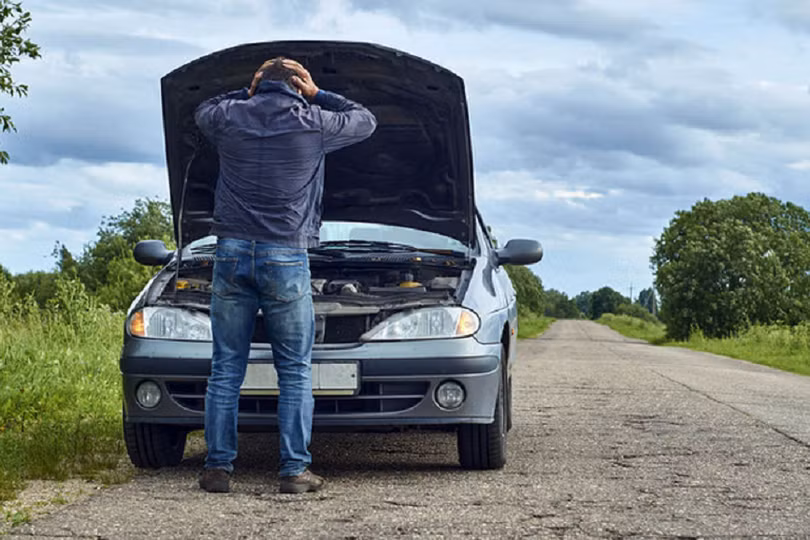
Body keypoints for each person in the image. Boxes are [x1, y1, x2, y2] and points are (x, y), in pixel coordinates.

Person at [193, 57, 377, 494]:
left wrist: (247, 91)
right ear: (298, 86)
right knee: (293, 369)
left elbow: (202, 110)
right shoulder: (314, 121)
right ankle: (294, 471)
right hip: (285, 256)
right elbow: (365, 120)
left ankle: (218, 468)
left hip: (231, 252)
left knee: (225, 368)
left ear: (259, 83)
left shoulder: (230, 116)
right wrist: (318, 94)